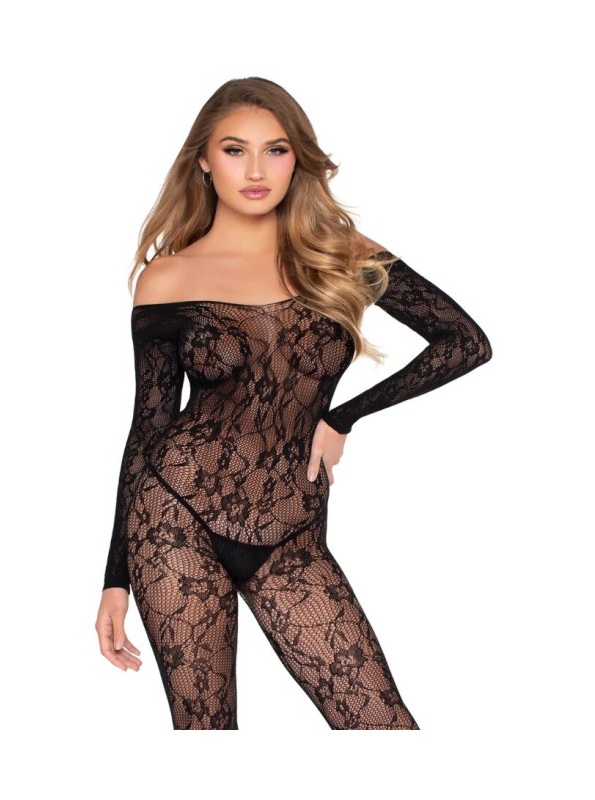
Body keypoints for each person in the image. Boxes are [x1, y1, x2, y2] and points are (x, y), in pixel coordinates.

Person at [94, 76, 493, 730]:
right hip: (172, 514)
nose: (256, 171)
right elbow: (149, 425)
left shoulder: (342, 255)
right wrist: (116, 576)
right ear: (204, 161)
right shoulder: (168, 277)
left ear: (295, 158)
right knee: (206, 736)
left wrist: (343, 416)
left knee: (383, 727)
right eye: (235, 150)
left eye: (275, 150)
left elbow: (464, 343)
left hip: (291, 527)